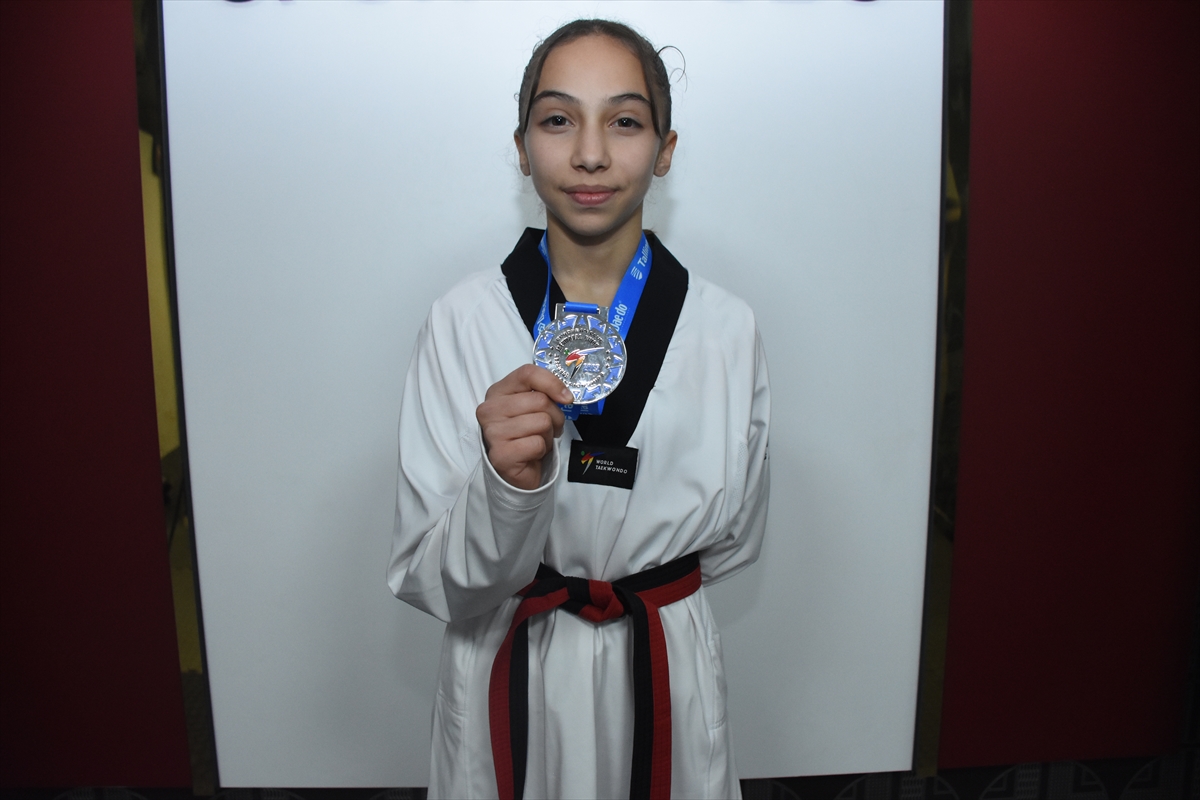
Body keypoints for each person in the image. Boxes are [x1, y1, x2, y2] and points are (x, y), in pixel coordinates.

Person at [388, 18, 770, 800]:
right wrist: (506, 488)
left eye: (624, 122)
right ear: (522, 146)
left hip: (661, 663)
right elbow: (431, 578)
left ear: (665, 149)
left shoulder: (727, 328)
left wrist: (643, 572)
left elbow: (736, 537)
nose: (590, 153)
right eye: (558, 119)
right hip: (510, 664)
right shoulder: (462, 320)